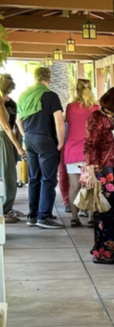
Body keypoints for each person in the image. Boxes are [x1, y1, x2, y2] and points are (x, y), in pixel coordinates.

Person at [17, 66, 65, 230]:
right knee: (48, 179)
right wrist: (60, 141)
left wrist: (25, 134)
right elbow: (59, 121)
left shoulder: (25, 95)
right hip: (45, 139)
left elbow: (18, 121)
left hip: (30, 139)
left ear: (35, 78)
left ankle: (33, 215)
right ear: (48, 79)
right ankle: (44, 216)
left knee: (34, 178)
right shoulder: (50, 96)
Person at [85, 87, 114, 264]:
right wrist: (91, 171)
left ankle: (109, 251)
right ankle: (102, 252)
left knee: (112, 210)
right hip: (102, 170)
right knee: (104, 211)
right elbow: (90, 145)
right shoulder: (96, 118)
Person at [64, 79, 99, 227]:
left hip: (71, 150)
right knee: (89, 184)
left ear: (76, 90)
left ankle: (74, 218)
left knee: (73, 186)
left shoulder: (70, 107)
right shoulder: (95, 108)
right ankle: (91, 218)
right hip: (89, 151)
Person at [0, 75, 26, 223]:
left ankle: (5, 209)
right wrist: (19, 147)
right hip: (3, 139)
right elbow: (6, 127)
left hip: (4, 139)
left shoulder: (6, 102)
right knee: (8, 175)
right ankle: (4, 211)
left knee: (6, 174)